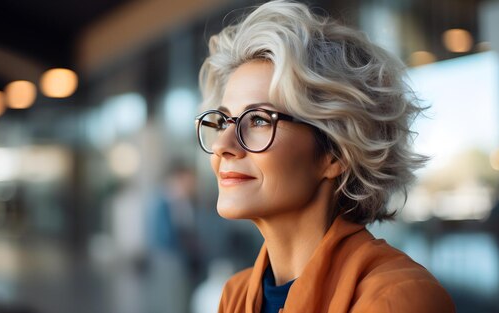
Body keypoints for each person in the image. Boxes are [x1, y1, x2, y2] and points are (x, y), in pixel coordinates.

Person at [194, 1, 455, 312]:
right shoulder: (235, 296)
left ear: (335, 153)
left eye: (260, 120)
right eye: (223, 121)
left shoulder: (396, 298)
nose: (224, 144)